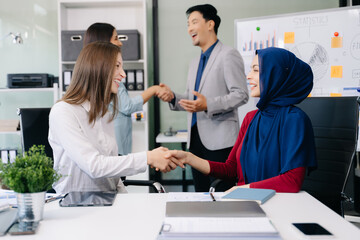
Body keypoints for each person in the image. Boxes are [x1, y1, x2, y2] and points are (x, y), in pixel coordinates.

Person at [166, 47, 317, 193]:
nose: (249, 76)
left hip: (277, 206)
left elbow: (292, 181)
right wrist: (188, 157)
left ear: (276, 75)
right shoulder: (251, 118)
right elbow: (231, 169)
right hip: (248, 202)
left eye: (256, 70)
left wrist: (242, 190)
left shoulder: (295, 120)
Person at [49, 42, 183, 194]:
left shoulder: (104, 112)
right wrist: (148, 158)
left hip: (108, 200)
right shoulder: (63, 112)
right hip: (76, 203)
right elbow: (94, 166)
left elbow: (112, 175)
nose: (123, 74)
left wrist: (126, 201)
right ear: (98, 68)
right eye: (117, 66)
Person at [158, 4, 248, 192]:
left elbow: (241, 94)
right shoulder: (194, 62)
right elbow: (193, 101)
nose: (189, 28)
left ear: (210, 24)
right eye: (188, 24)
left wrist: (209, 104)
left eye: (194, 22)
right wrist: (173, 97)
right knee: (200, 193)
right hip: (196, 141)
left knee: (222, 194)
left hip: (221, 142)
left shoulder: (228, 55)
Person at [84, 23, 173, 155]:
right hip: (114, 147)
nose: (120, 43)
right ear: (103, 44)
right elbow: (127, 106)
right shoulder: (110, 78)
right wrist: (153, 90)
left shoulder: (98, 75)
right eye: (116, 38)